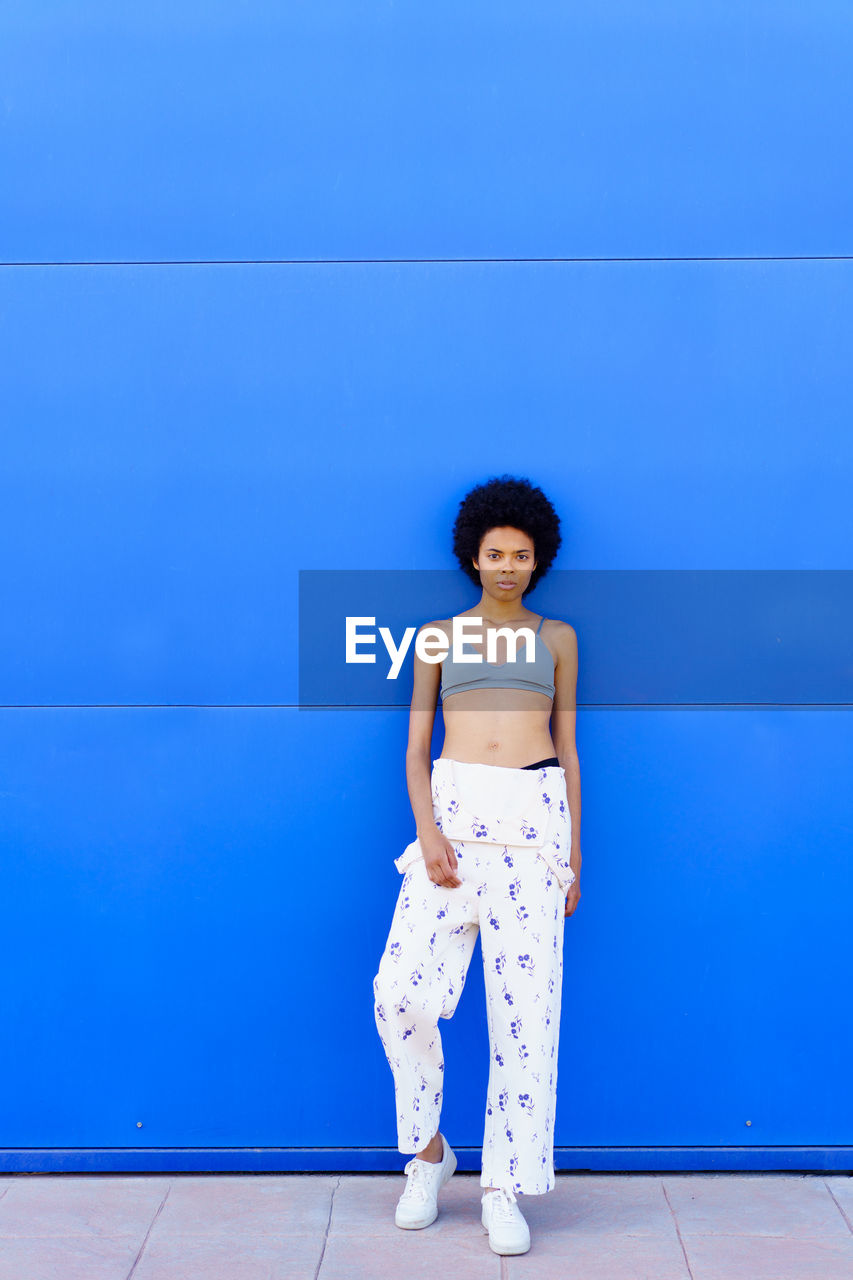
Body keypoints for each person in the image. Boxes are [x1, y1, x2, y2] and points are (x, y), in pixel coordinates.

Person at [372, 474, 582, 1257]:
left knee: (526, 1020)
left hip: (532, 829)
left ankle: (501, 1185)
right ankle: (427, 1153)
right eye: (494, 552)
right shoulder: (437, 636)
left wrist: (571, 855)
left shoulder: (557, 638)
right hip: (452, 829)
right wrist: (427, 831)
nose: (506, 565)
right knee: (397, 993)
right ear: (471, 555)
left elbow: (567, 749)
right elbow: (415, 745)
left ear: (537, 560)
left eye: (520, 554)